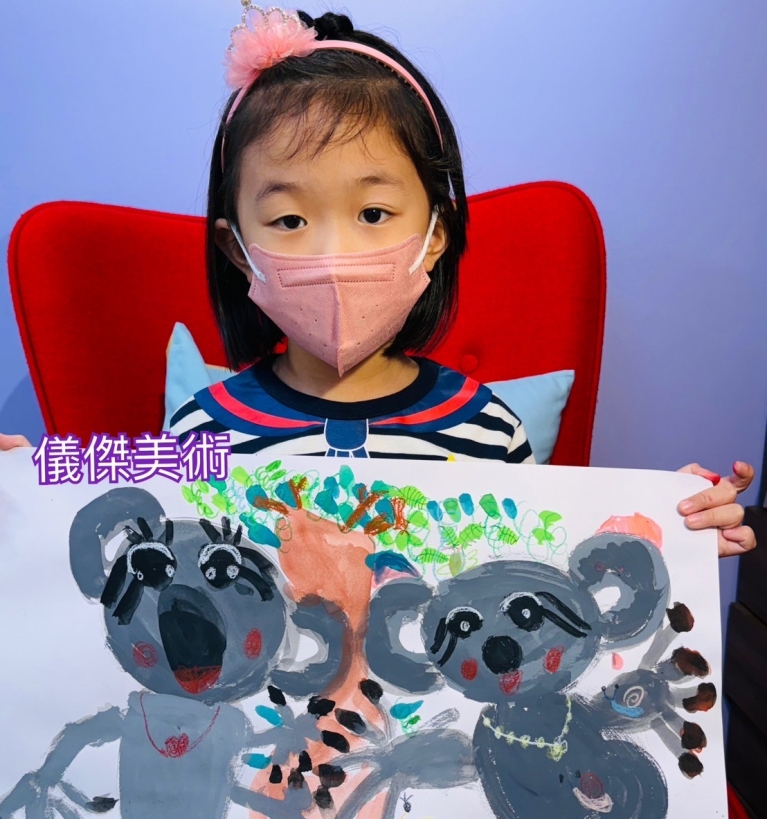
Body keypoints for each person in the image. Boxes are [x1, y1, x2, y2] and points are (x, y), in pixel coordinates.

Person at [0, 7, 755, 557]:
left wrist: (667, 526)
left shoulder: (488, 430)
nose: (333, 255)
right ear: (236, 250)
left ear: (436, 236)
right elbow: (145, 569)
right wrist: (23, 499)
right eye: (289, 219)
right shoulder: (200, 433)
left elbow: (540, 570)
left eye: (372, 213)